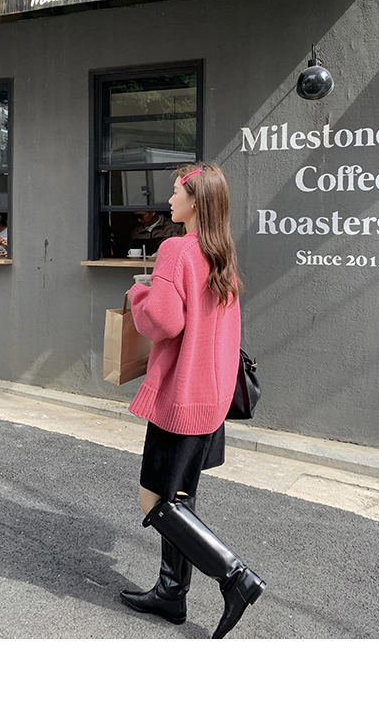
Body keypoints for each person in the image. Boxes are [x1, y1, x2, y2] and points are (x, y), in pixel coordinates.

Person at [121, 163, 266, 639]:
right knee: (181, 497)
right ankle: (171, 593)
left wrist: (139, 294)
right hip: (214, 396)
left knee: (153, 499)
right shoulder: (221, 253)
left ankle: (234, 576)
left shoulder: (176, 250)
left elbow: (163, 322)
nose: (169, 201)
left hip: (180, 396)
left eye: (176, 193)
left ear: (196, 202)